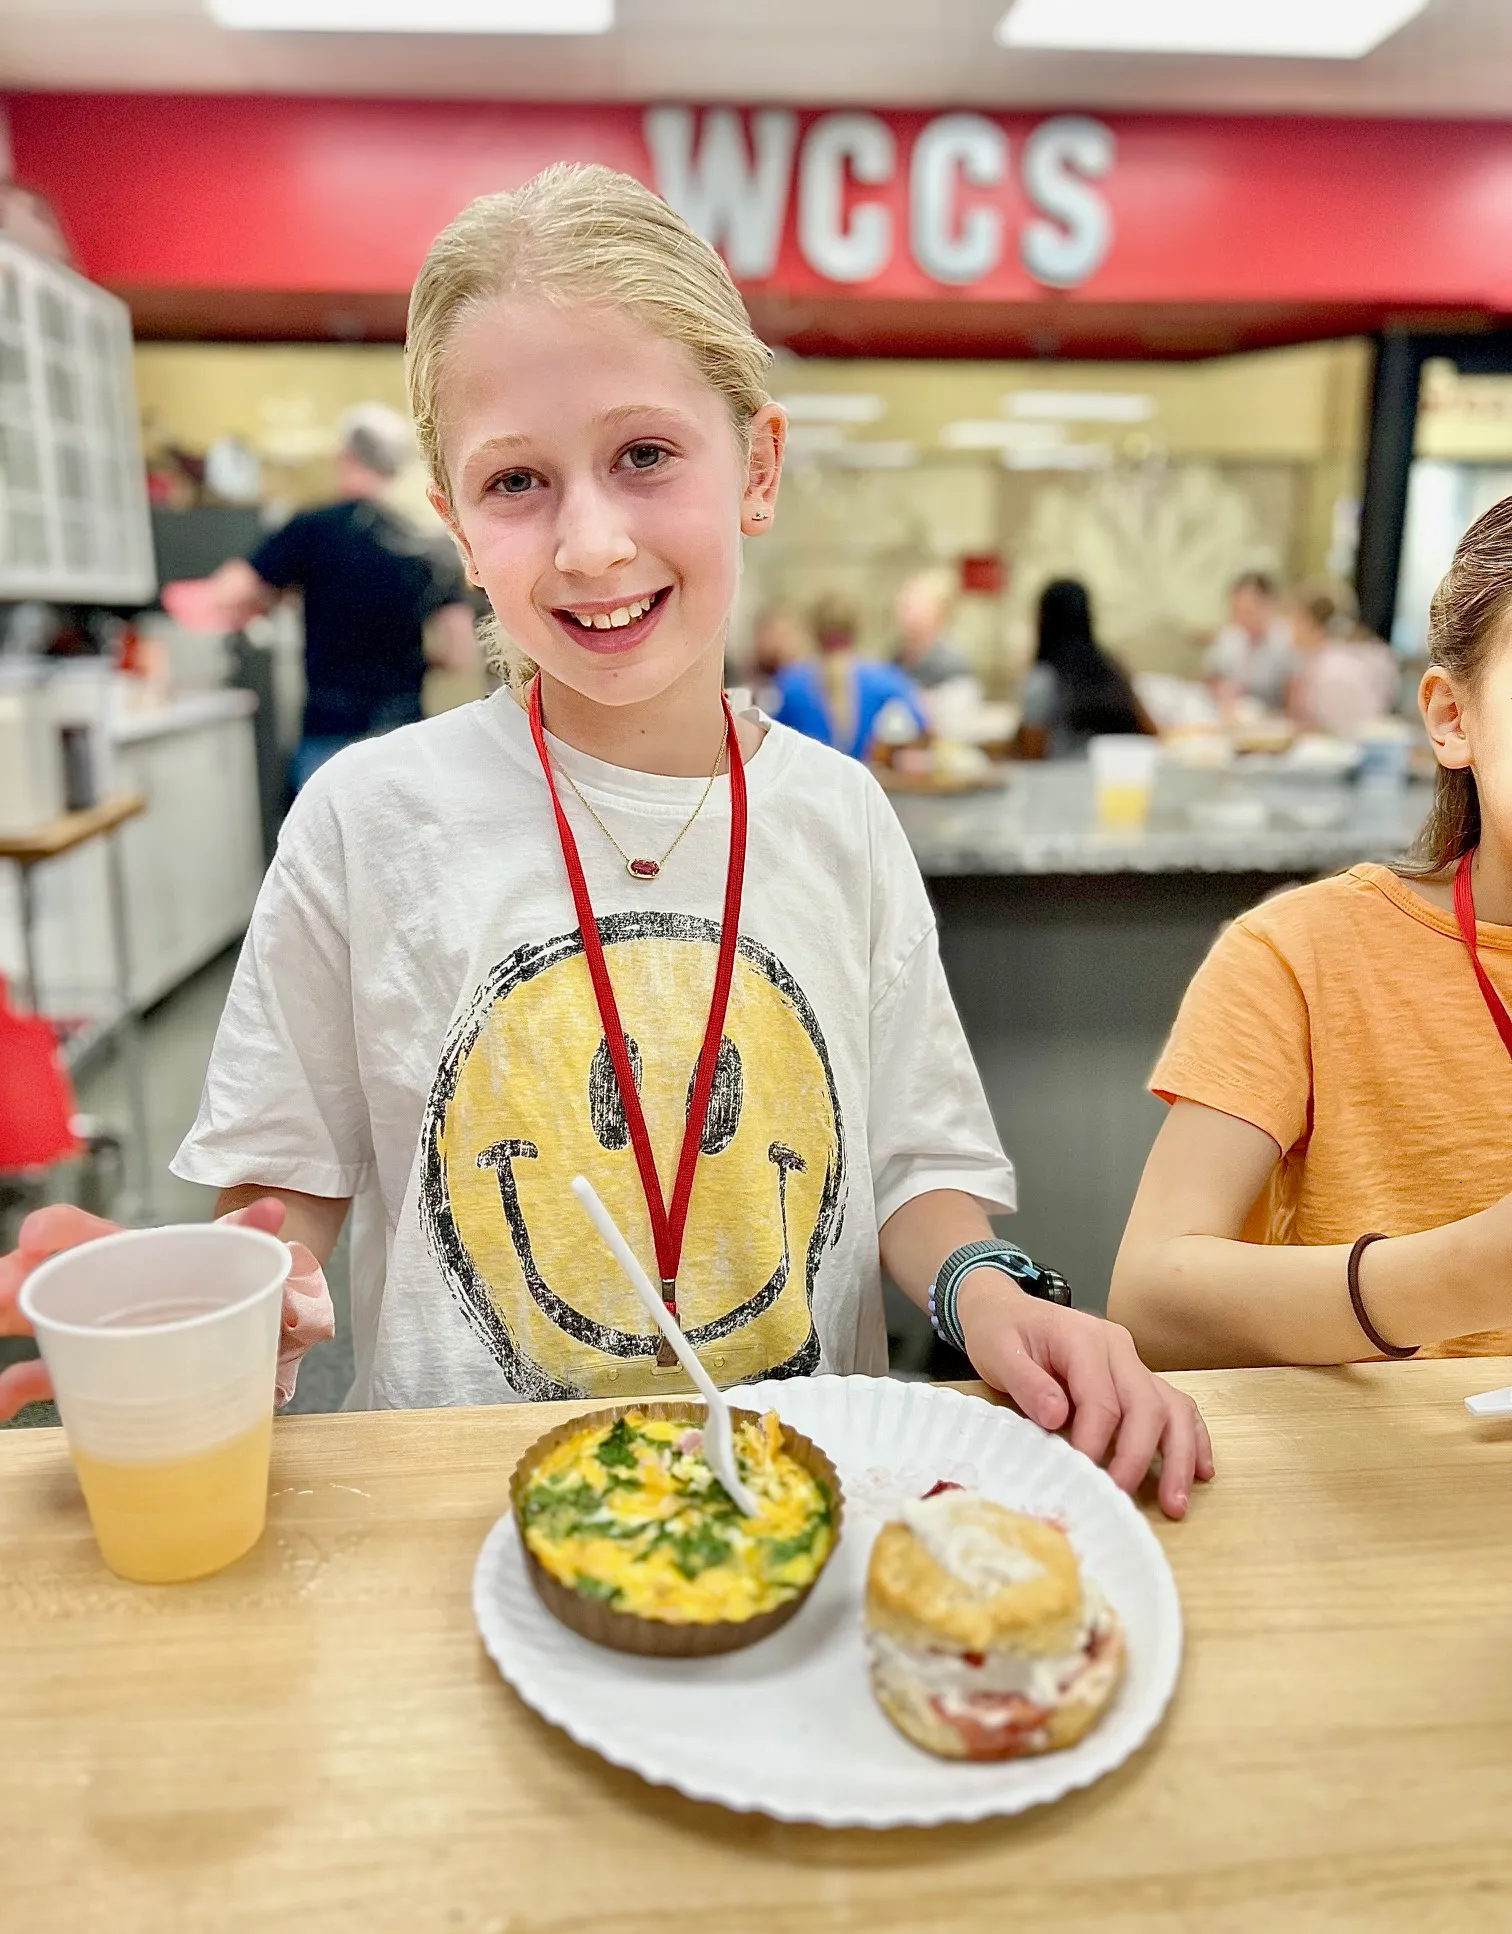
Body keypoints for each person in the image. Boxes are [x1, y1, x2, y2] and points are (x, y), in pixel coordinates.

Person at [0, 165, 1209, 1516]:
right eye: (516, 480)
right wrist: (214, 1303)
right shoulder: (367, 816)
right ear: (458, 530)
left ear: (755, 468)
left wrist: (996, 1290)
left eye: (645, 455)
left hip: (799, 1507)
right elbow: (280, 1195)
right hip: (454, 1520)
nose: (589, 542)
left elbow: (914, 1169)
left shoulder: (837, 815)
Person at [1108, 496, 1512, 1369]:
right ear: (1453, 719)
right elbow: (1151, 1300)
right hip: (1387, 1484)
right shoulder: (1304, 958)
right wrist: (1471, 1272)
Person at [163, 403, 480, 790]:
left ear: (345, 458)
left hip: (331, 733)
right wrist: (404, 657)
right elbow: (459, 654)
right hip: (405, 728)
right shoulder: (428, 545)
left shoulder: (314, 529)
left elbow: (230, 593)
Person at [769, 596, 927, 760]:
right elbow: (921, 725)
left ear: (813, 632)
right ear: (858, 629)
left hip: (808, 781)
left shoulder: (791, 683)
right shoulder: (886, 680)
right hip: (871, 780)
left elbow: (772, 741)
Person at [1018, 578, 1155, 759]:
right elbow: (1150, 731)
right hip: (1113, 777)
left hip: (1060, 781)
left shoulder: (1042, 679)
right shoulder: (1111, 669)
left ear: (1043, 620)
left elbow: (1032, 754)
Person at [1286, 579, 1400, 738]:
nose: (1289, 628)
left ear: (1310, 623)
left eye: (1295, 621)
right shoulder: (1314, 662)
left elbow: (1344, 731)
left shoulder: (1334, 671)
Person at [1203, 570, 1295, 711]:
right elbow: (1212, 676)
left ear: (1268, 605)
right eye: (1236, 609)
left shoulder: (1288, 641)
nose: (1241, 617)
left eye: (1247, 610)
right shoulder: (1230, 636)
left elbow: (1293, 702)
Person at [893, 569, 976, 692]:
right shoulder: (897, 658)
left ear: (939, 613)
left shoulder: (951, 665)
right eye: (905, 606)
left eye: (917, 607)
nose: (908, 615)